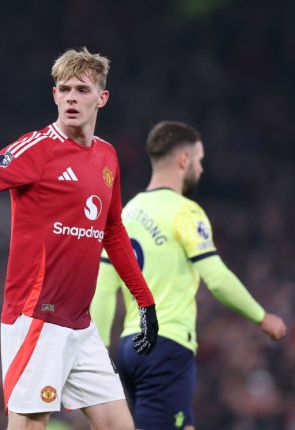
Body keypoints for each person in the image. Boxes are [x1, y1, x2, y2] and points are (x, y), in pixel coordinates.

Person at [0, 48, 159, 430]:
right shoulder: (35, 149)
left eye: (82, 90)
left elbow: (113, 231)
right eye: (64, 89)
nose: (72, 97)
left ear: (101, 98)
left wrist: (145, 302)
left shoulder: (107, 156)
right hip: (36, 318)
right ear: (54, 95)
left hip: (80, 325)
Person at [90, 120, 287, 430]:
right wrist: (262, 317)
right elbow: (217, 277)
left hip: (130, 347)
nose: (201, 168)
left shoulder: (125, 213)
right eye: (199, 160)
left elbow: (102, 286)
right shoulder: (185, 212)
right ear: (183, 159)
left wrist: (98, 349)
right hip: (166, 343)